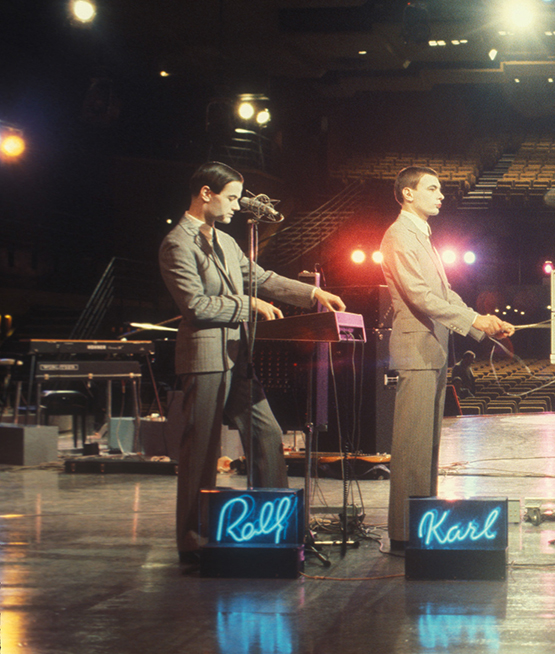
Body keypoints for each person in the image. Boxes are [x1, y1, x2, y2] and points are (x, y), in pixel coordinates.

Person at [160, 161, 346, 563]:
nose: (236, 206)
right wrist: (248, 305)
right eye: (230, 198)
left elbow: (262, 278)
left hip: (237, 358)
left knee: (267, 434)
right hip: (205, 358)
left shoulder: (226, 242)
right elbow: (194, 305)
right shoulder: (177, 243)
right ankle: (191, 542)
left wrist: (312, 295)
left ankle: (274, 524)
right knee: (201, 453)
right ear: (205, 194)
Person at [380, 166, 513, 549]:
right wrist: (474, 319)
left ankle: (421, 525)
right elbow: (421, 296)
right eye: (432, 189)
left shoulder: (423, 237)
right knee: (411, 450)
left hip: (434, 351)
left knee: (428, 449)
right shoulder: (399, 235)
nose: (441, 195)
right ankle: (405, 534)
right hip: (416, 351)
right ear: (407, 193)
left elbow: (446, 294)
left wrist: (482, 323)